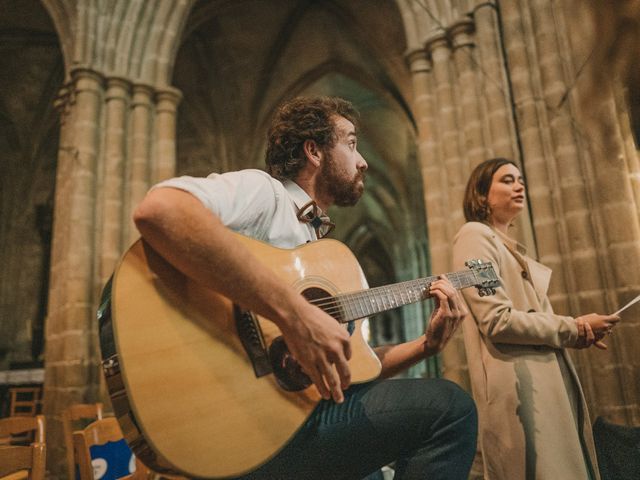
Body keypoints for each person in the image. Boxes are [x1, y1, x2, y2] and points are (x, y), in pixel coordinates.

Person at [132, 96, 477, 480]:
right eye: (350, 143)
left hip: (292, 420)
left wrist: (426, 347)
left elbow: (353, 370)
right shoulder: (267, 194)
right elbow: (160, 210)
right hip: (240, 425)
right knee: (450, 409)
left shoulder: (326, 257)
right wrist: (293, 313)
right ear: (313, 151)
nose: (362, 160)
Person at [452, 157, 620, 480]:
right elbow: (497, 320)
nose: (519, 185)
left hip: (542, 382)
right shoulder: (474, 236)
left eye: (521, 180)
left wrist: (580, 331)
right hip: (521, 389)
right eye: (507, 180)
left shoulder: (509, 247)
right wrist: (573, 327)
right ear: (482, 194)